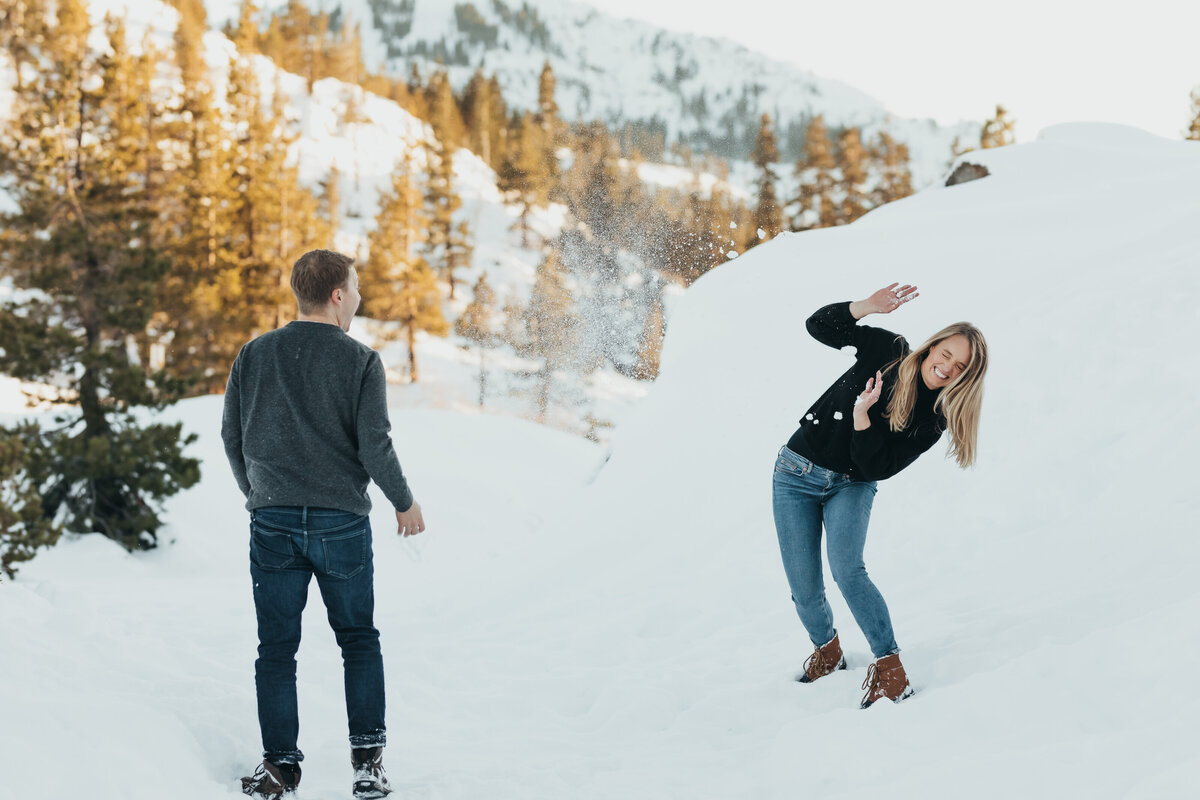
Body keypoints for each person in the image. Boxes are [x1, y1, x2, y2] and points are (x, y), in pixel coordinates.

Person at [222, 249, 425, 799]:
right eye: (355, 287)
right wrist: (403, 502)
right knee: (358, 640)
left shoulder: (254, 354)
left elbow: (231, 437)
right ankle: (367, 767)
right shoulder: (360, 361)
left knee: (276, 648)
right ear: (337, 295)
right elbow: (374, 444)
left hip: (272, 522)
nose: (358, 297)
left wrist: (259, 495)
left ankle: (280, 769)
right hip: (341, 526)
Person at [772, 283, 987, 709]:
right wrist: (865, 307)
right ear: (932, 347)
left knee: (848, 571)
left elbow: (875, 468)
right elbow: (818, 326)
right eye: (945, 353)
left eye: (959, 367)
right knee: (805, 589)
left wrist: (861, 418)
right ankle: (827, 650)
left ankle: (890, 669)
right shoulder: (887, 350)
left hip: (852, 484)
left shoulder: (934, 417)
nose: (947, 367)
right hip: (795, 472)